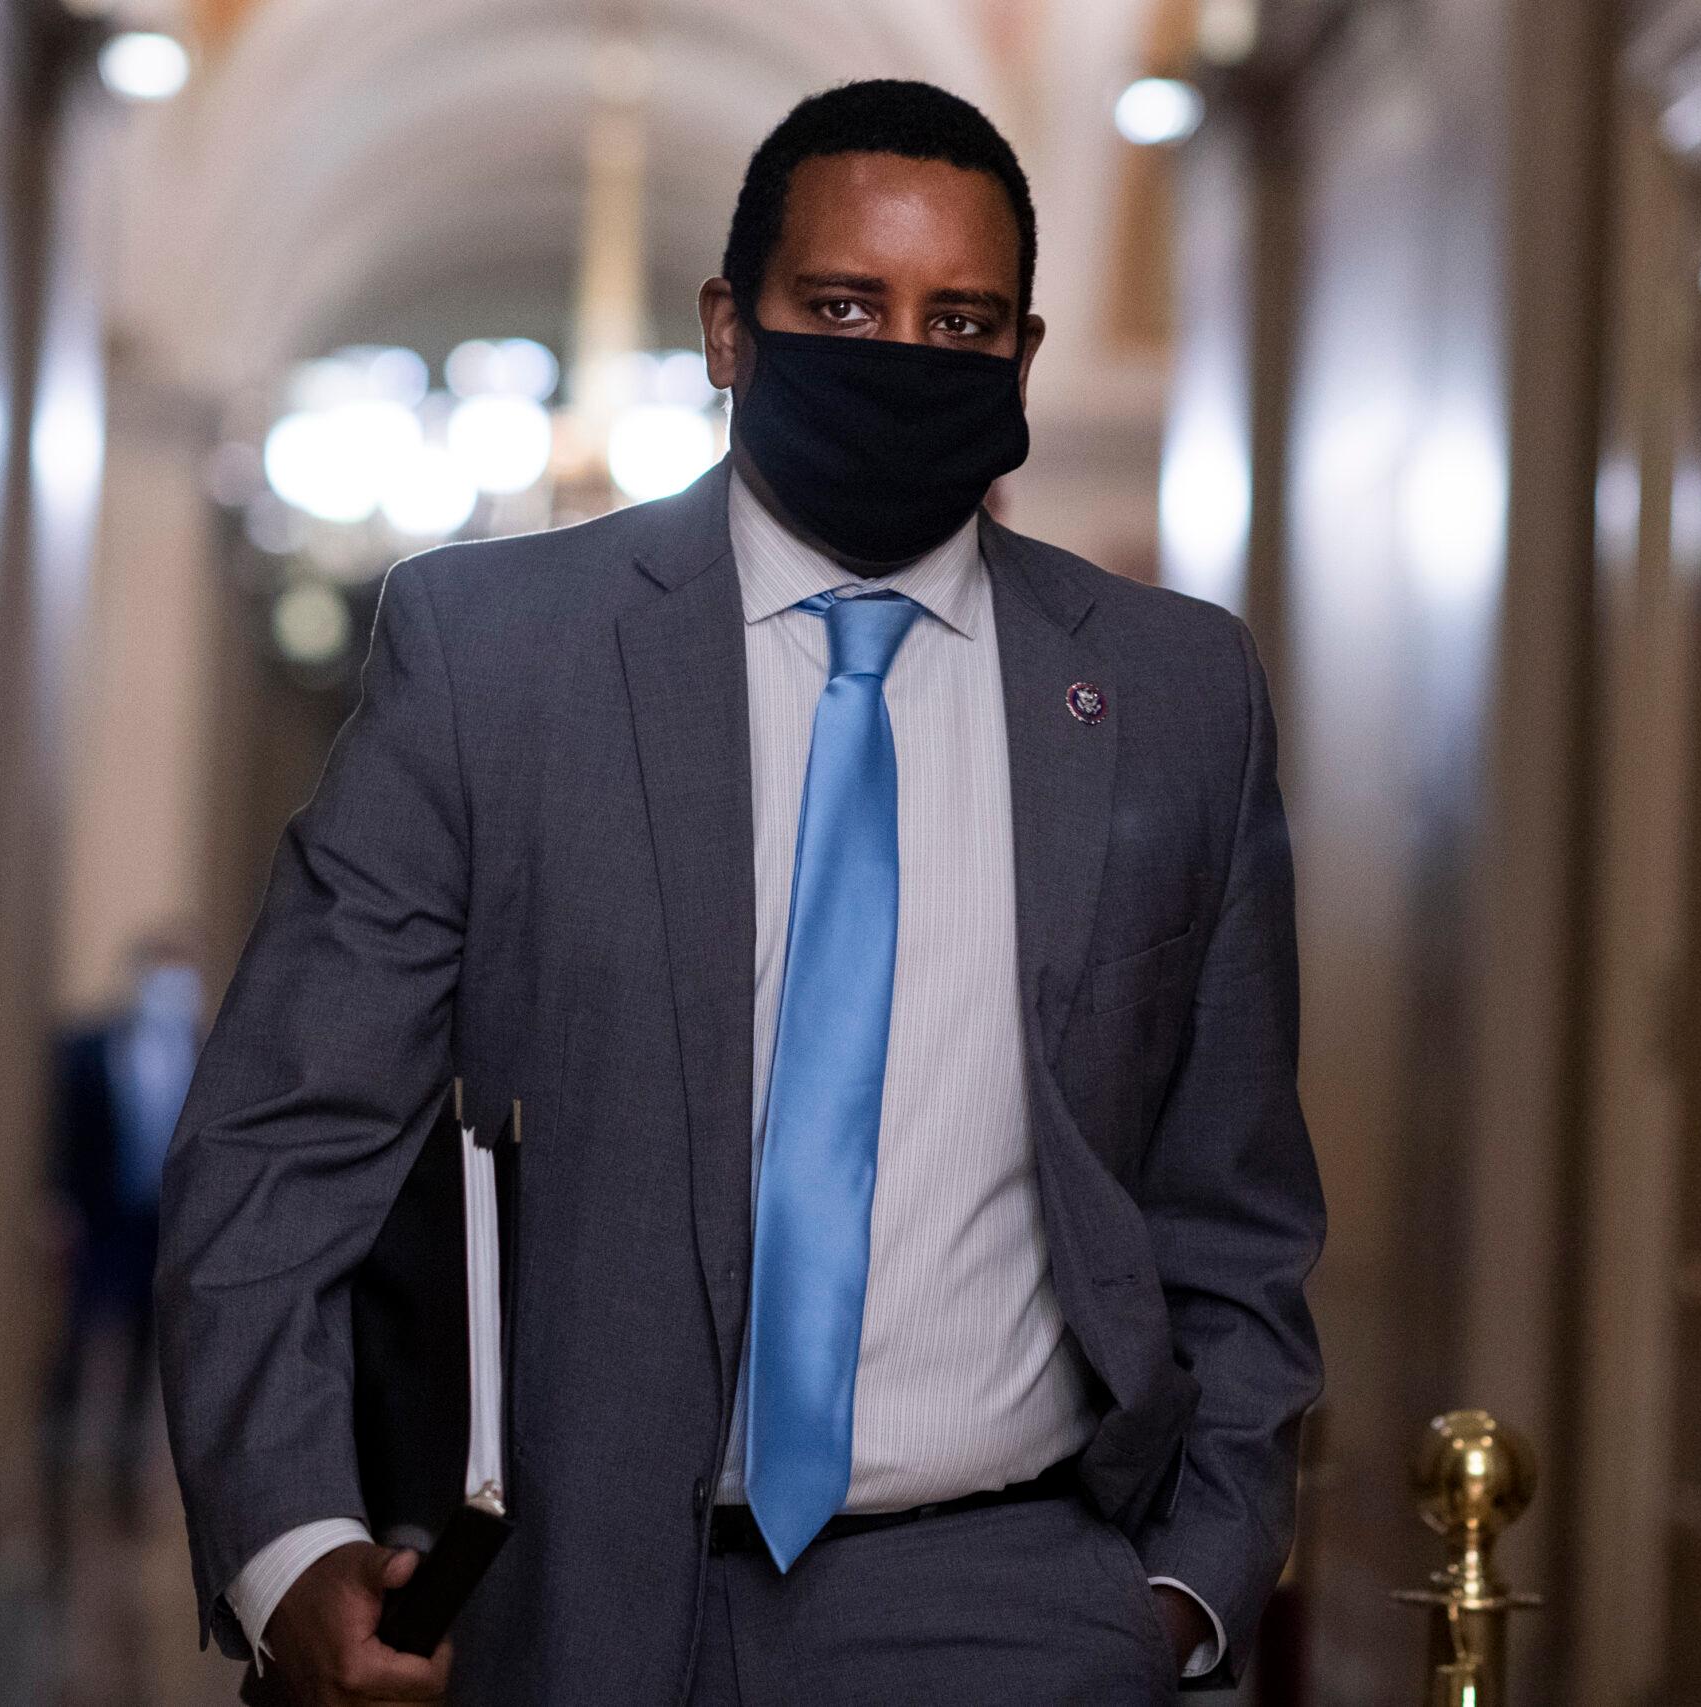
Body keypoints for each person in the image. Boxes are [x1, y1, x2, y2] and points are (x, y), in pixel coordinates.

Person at [158, 78, 1324, 1706]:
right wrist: (293, 1545)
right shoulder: (496, 658)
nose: (900, 356)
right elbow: (286, 1141)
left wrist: (1190, 1583)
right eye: (843, 305)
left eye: (960, 320)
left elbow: (1233, 1198)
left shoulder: (1173, 691)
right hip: (562, 1602)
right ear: (728, 327)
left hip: (1018, 1604)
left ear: (1026, 359)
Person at [46, 927, 204, 1564]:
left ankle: (122, 1486)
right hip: (100, 1220)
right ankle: (57, 1476)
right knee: (77, 1343)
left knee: (146, 1356)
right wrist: (56, 1202)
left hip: (162, 1229)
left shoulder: (209, 1053)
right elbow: (59, 1133)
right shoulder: (88, 1049)